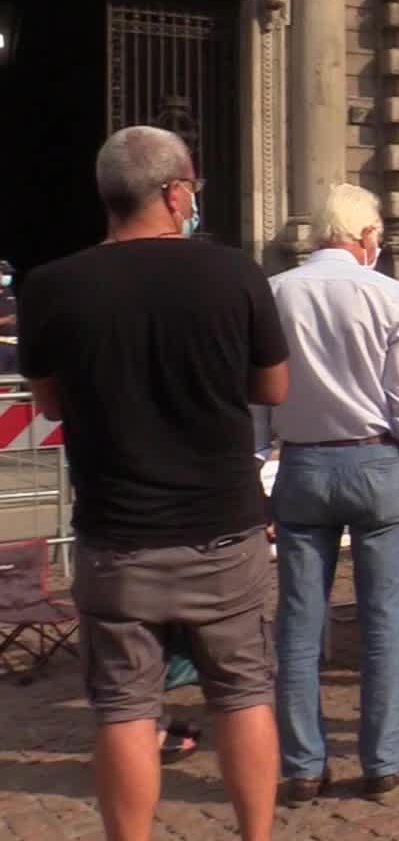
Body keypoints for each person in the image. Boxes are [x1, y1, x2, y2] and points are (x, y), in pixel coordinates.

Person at [17, 126, 289, 841]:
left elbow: (49, 402)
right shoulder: (235, 275)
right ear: (174, 193)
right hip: (223, 527)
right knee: (243, 693)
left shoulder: (51, 286)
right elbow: (273, 387)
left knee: (124, 707)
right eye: (191, 188)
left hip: (118, 533)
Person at [261, 183, 399, 803]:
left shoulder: (276, 292)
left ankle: (303, 765)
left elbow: (255, 396)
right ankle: (383, 760)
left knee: (298, 622)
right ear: (365, 237)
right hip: (375, 461)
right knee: (383, 619)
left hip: (302, 463)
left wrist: (255, 470)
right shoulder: (390, 295)